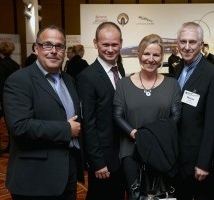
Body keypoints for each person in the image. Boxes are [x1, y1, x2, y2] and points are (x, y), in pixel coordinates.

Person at [3, 24, 84, 200]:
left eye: (59, 46)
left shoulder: (69, 80)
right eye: (47, 45)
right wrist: (66, 130)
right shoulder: (19, 80)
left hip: (67, 173)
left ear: (64, 50)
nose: (53, 51)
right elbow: (20, 127)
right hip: (34, 179)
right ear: (36, 48)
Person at [113, 33, 182, 199]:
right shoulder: (123, 84)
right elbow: (117, 116)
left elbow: (176, 117)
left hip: (162, 150)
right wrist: (137, 135)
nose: (150, 59)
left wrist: (151, 139)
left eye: (156, 55)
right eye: (146, 54)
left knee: (161, 195)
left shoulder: (172, 84)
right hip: (131, 151)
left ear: (161, 58)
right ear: (139, 54)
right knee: (135, 196)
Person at [172, 22, 214, 200]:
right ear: (177, 43)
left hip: (197, 160)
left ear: (201, 44)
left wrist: (204, 163)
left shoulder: (213, 75)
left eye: (192, 42)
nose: (187, 47)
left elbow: (212, 124)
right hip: (176, 157)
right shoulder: (177, 69)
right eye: (183, 41)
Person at [76, 22, 125, 200]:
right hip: (103, 160)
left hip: (121, 155)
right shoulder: (87, 77)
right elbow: (88, 124)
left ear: (121, 43)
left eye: (114, 44)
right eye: (105, 44)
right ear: (96, 43)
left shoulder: (120, 71)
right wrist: (97, 162)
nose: (110, 49)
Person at [0, 41, 20, 153]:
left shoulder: (0, 65)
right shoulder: (16, 65)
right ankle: (12, 146)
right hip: (15, 98)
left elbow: (0, 84)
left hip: (3, 99)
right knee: (12, 124)